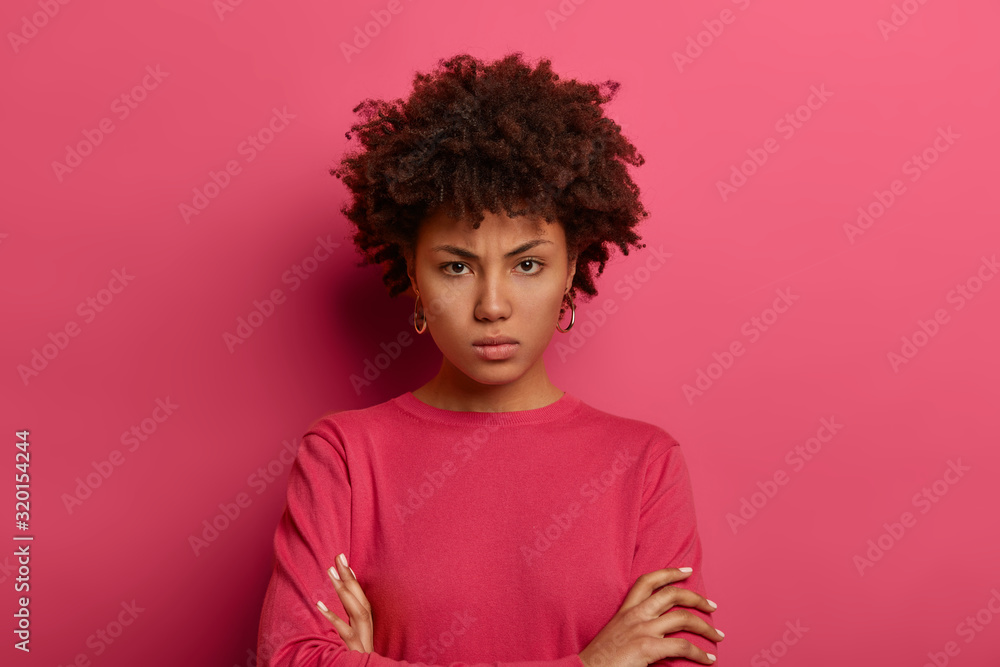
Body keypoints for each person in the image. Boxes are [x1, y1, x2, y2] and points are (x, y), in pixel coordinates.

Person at [256, 52, 723, 667]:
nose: (493, 304)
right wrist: (590, 665)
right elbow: (289, 659)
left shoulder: (645, 466)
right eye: (457, 266)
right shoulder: (344, 456)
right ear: (413, 277)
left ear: (571, 272)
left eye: (527, 264)